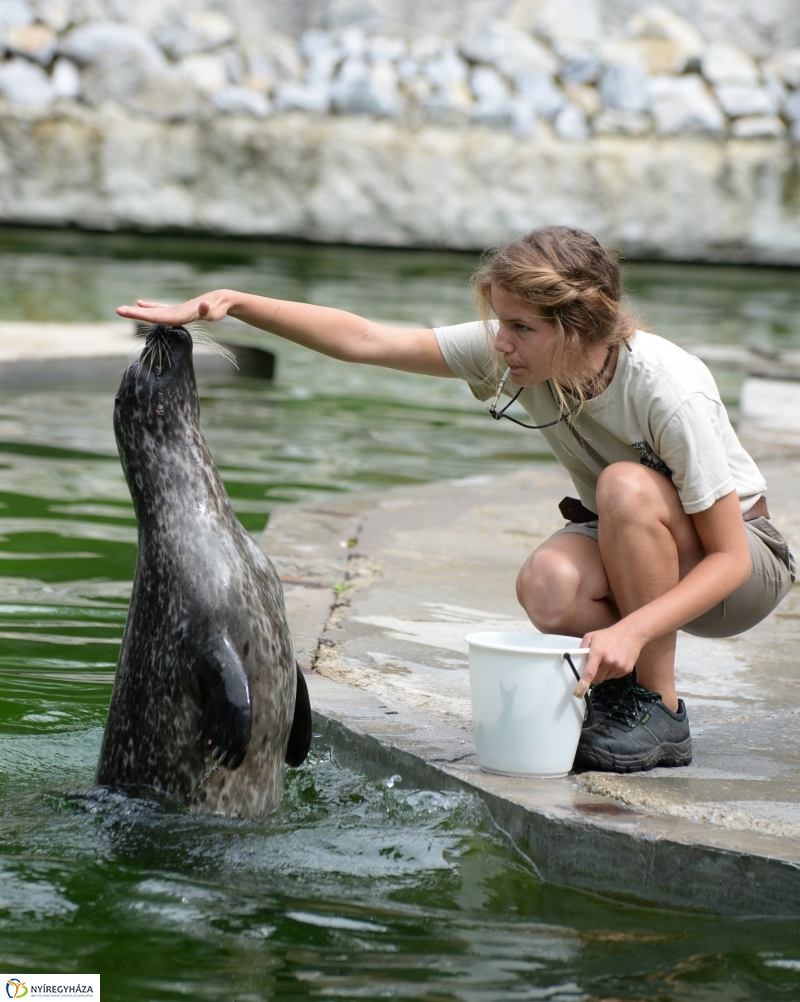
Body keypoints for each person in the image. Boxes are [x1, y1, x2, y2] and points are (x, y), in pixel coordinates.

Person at [117, 225, 796, 774]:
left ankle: (660, 710)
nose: (500, 343)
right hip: (637, 542)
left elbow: (731, 559)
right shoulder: (521, 357)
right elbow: (367, 339)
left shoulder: (667, 388)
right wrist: (234, 304)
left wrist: (633, 629)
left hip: (740, 567)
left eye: (520, 328)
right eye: (498, 323)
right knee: (549, 587)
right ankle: (622, 695)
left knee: (623, 483)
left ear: (579, 327)